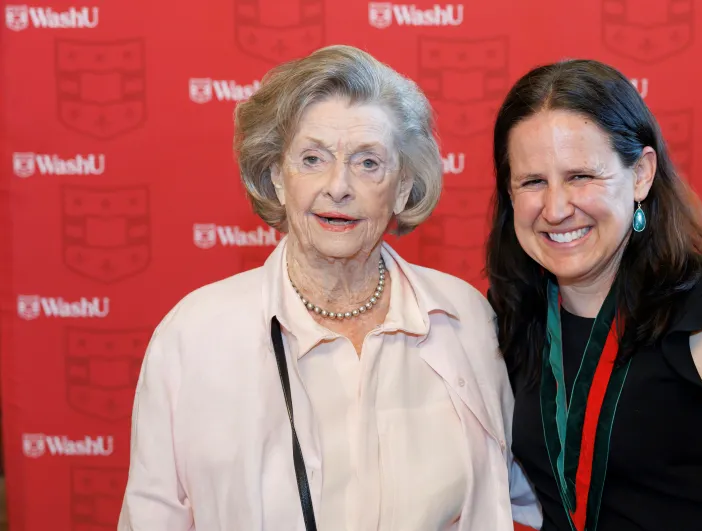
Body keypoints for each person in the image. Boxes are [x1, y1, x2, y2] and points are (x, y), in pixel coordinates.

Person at [117, 45, 541, 531]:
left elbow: (520, 497)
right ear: (278, 178)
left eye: (367, 163)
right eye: (313, 159)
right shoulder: (194, 335)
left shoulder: (465, 319)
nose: (338, 186)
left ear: (402, 188)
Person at [486, 58, 702, 531]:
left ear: (641, 174)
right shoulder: (511, 318)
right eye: (532, 182)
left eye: (581, 176)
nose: (556, 207)